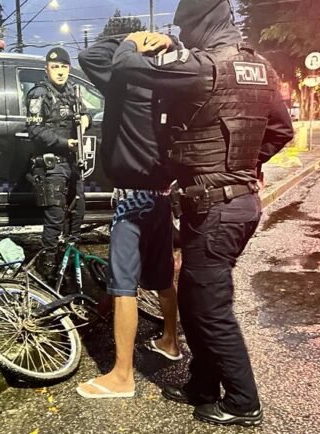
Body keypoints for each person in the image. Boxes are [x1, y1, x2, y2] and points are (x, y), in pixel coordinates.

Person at [110, 0, 294, 426]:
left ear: (201, 22)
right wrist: (245, 167)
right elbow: (281, 130)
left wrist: (133, 42)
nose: (184, 35)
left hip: (217, 210)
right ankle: (203, 386)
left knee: (211, 308)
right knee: (194, 298)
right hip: (231, 204)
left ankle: (243, 401)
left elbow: (124, 70)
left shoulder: (202, 66)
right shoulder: (261, 68)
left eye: (186, 27)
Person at [75, 36, 181, 400]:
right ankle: (170, 341)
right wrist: (171, 41)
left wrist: (129, 40)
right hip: (162, 197)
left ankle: (122, 376)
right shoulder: (172, 84)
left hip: (132, 200)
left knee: (123, 286)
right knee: (164, 275)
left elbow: (89, 54)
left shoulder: (123, 81)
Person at [25, 47, 90, 276]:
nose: (60, 72)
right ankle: (49, 269)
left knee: (77, 212)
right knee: (55, 218)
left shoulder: (74, 91)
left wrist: (85, 119)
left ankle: (69, 262)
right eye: (55, 67)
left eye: (64, 67)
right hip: (51, 164)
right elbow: (34, 129)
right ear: (47, 69)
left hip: (73, 163)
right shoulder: (39, 93)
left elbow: (85, 113)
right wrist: (65, 143)